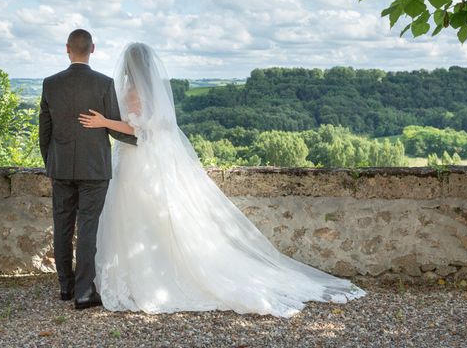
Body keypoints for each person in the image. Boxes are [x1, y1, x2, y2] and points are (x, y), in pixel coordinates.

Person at [78, 42, 366, 317]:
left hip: (137, 162)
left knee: (135, 216)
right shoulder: (152, 88)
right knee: (147, 217)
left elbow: (136, 128)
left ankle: (144, 275)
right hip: (144, 160)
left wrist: (103, 122)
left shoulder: (132, 91)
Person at [38, 29, 137, 310]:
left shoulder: (50, 84)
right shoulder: (104, 84)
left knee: (63, 227)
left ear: (67, 48)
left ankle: (65, 288)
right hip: (94, 169)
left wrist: (52, 163)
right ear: (92, 48)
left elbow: (44, 132)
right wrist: (142, 139)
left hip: (60, 169)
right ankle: (84, 292)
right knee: (88, 228)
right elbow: (114, 127)